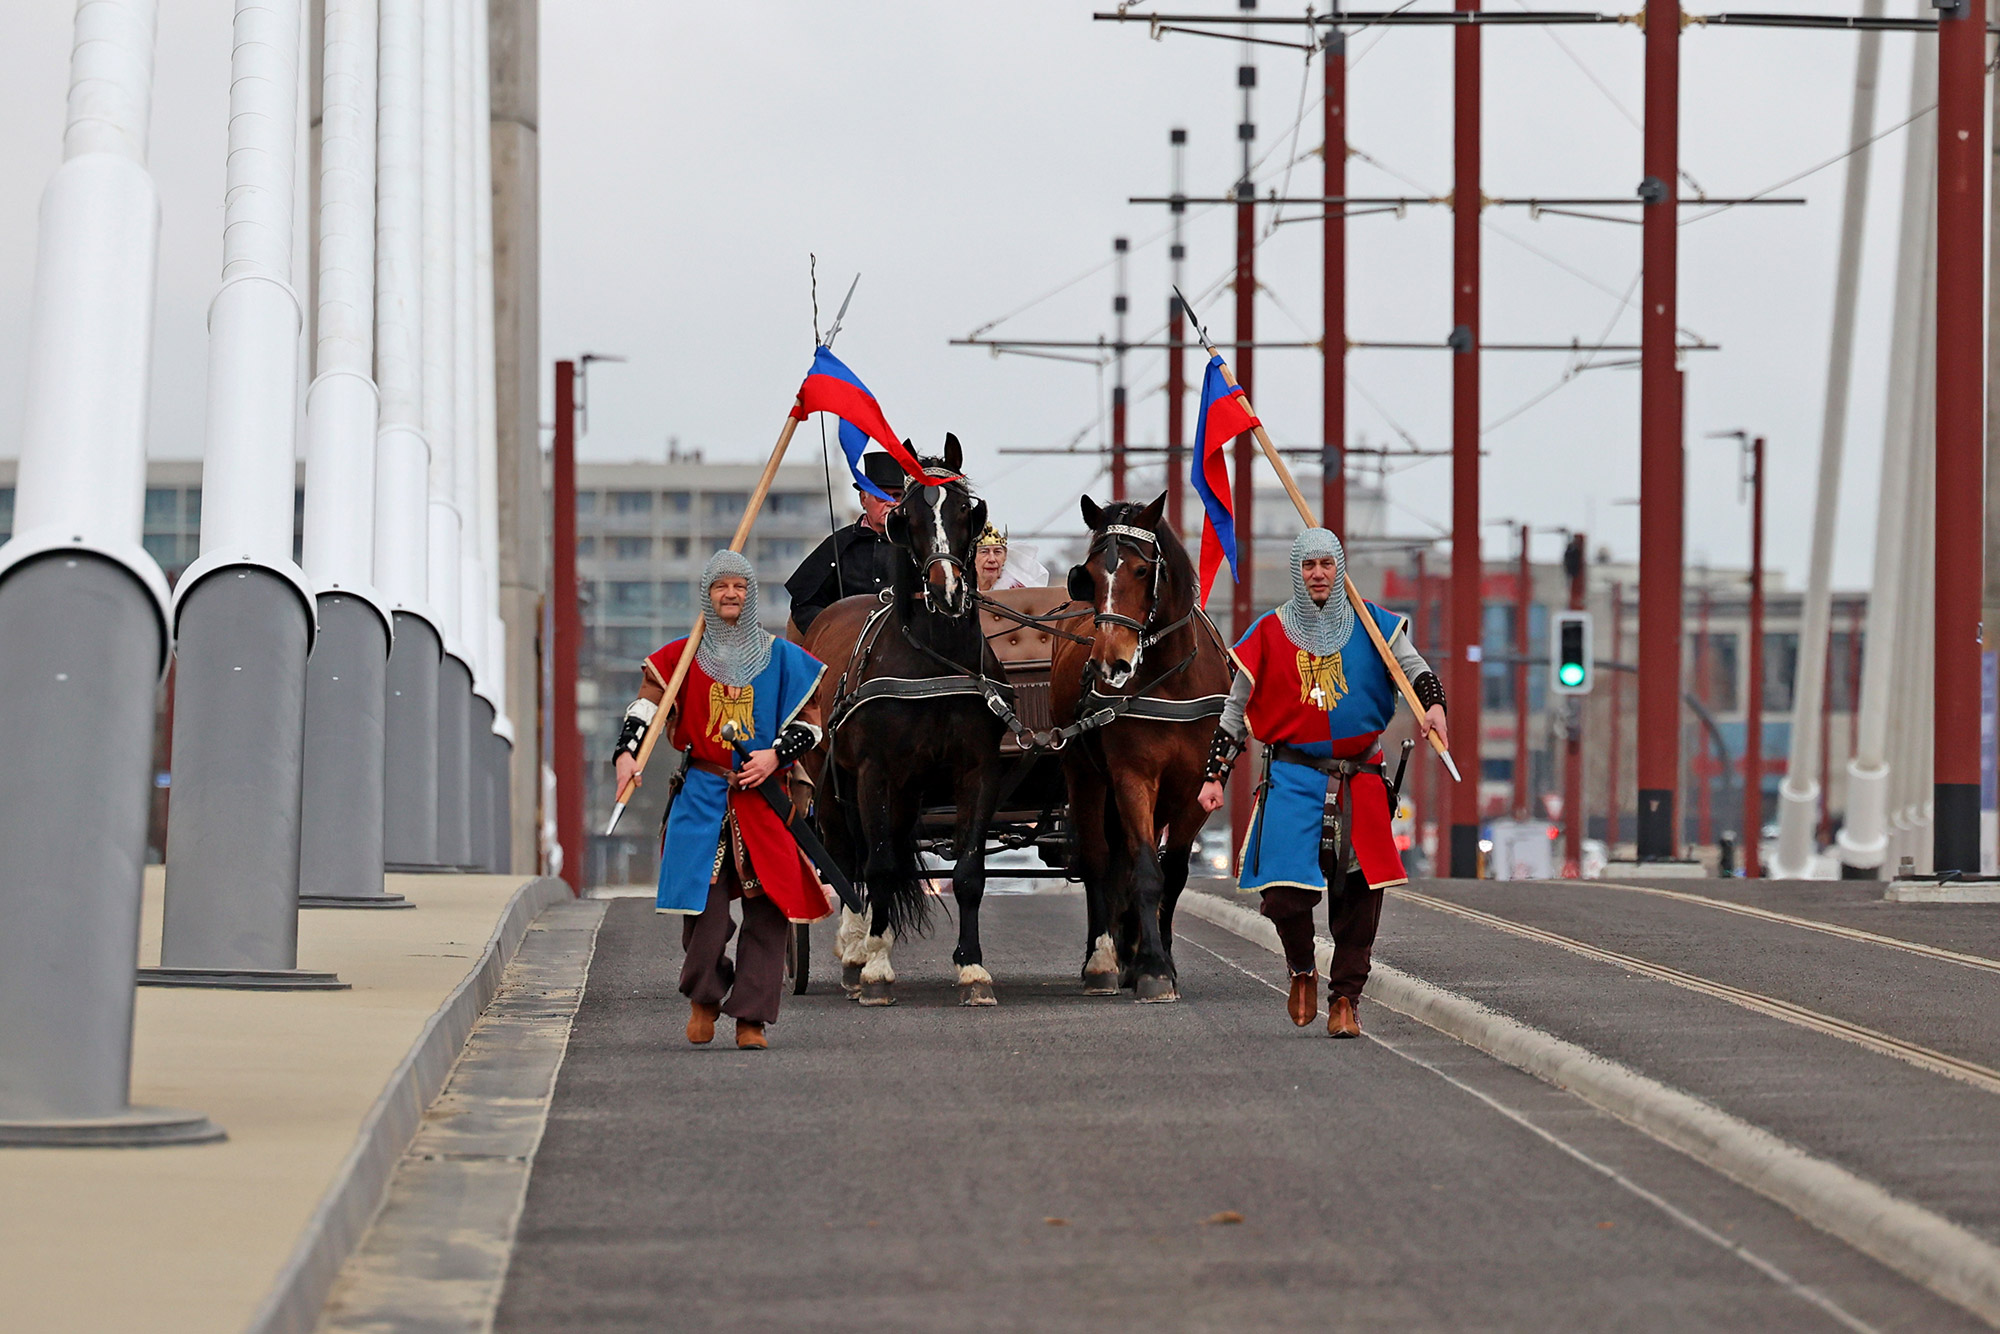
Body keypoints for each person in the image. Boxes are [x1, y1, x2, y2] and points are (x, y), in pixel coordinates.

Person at [1198, 528, 1449, 1039]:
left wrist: (1435, 707)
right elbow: (1234, 708)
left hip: (1360, 775)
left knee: (1360, 896)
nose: (1317, 573)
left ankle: (1346, 1001)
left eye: (1326, 564)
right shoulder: (1268, 632)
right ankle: (1301, 968)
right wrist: (1215, 775)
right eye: (1308, 564)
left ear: (1339, 569)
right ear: (1298, 570)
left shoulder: (1374, 624)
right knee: (1283, 896)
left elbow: (1414, 668)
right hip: (1292, 777)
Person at [613, 550, 832, 1050]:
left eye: (738, 586)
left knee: (769, 908)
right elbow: (646, 706)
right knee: (704, 910)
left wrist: (775, 757)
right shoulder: (682, 657)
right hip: (703, 795)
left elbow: (811, 725)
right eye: (720, 587)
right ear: (707, 596)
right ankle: (704, 995)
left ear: (751, 594)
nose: (730, 594)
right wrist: (626, 754)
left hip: (764, 798)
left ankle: (751, 1017)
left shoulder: (781, 658)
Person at [784, 450, 908, 633]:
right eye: (882, 496)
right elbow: (805, 605)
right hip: (847, 648)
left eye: (897, 496)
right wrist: (835, 635)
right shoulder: (839, 544)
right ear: (863, 499)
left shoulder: (917, 546)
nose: (891, 503)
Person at [972, 521, 1049, 592]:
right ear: (972, 557)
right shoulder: (962, 592)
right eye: (984, 552)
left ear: (1005, 557)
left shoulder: (1019, 593)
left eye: (997, 552)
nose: (992, 559)